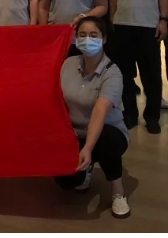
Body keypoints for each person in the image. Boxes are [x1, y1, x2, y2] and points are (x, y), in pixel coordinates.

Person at [56, 16, 130, 218]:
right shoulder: (68, 64)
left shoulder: (112, 73)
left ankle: (118, 191)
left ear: (103, 39)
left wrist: (87, 148)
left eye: (93, 35)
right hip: (74, 133)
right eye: (82, 35)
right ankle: (85, 169)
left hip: (107, 132)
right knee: (66, 182)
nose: (87, 39)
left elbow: (100, 111)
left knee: (106, 140)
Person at [108, 0, 168, 134]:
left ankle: (152, 116)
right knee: (125, 74)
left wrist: (163, 19)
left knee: (151, 74)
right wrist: (113, 18)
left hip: (149, 23)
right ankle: (130, 114)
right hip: (122, 23)